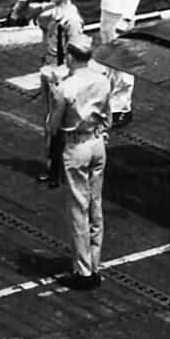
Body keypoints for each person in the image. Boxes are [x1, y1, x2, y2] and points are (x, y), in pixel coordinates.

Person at [46, 34, 111, 288]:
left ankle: (83, 272)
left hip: (76, 146)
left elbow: (53, 127)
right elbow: (107, 116)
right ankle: (94, 264)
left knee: (78, 208)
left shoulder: (66, 87)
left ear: (70, 56)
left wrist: (53, 96)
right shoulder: (103, 81)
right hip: (97, 143)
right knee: (96, 205)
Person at [17, 0, 84, 186]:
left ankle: (60, 169)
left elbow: (77, 54)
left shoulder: (72, 19)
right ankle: (53, 165)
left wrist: (64, 76)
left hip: (61, 74)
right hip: (47, 70)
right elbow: (19, 12)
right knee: (49, 122)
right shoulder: (49, 12)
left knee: (59, 124)